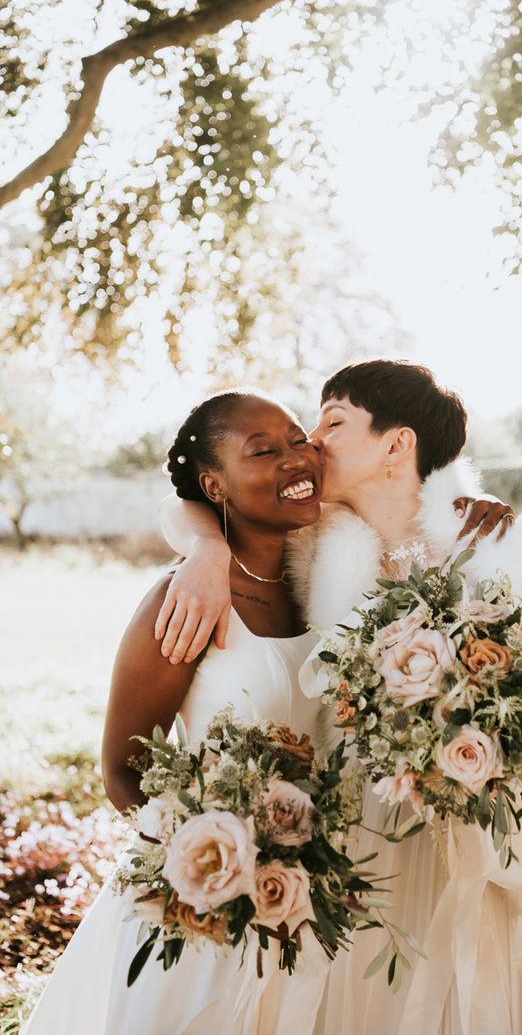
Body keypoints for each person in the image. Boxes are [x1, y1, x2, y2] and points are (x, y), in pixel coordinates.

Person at [160, 360, 522, 1035]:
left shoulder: (508, 549)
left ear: (399, 445)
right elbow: (190, 497)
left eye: (332, 423)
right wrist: (206, 551)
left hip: (492, 843)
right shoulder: (312, 546)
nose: (311, 439)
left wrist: (485, 747)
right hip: (361, 847)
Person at [23, 390, 331, 1035]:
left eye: (298, 438)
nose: (296, 459)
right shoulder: (183, 600)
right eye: (264, 451)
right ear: (214, 485)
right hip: (211, 906)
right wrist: (214, 871)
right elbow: (121, 770)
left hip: (329, 895)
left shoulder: (334, 576)